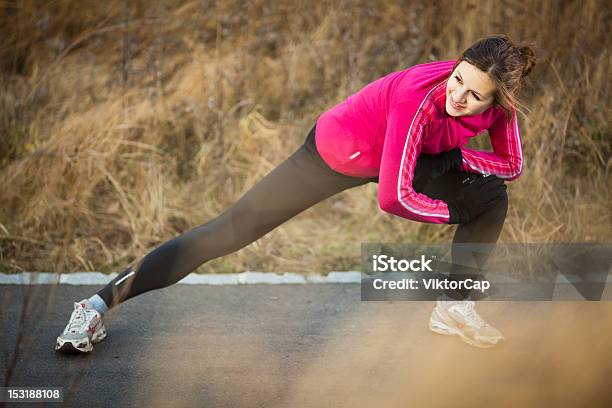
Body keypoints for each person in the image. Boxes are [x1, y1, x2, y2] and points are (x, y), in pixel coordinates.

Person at [55, 34, 536, 353]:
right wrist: (452, 211)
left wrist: (456, 163)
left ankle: (454, 304)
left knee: (491, 198)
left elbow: (510, 165)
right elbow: (392, 198)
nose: (458, 96)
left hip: (413, 157)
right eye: (457, 80)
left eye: (474, 95)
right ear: (453, 68)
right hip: (336, 153)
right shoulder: (421, 97)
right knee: (227, 232)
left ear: (498, 101)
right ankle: (95, 306)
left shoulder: (500, 109)